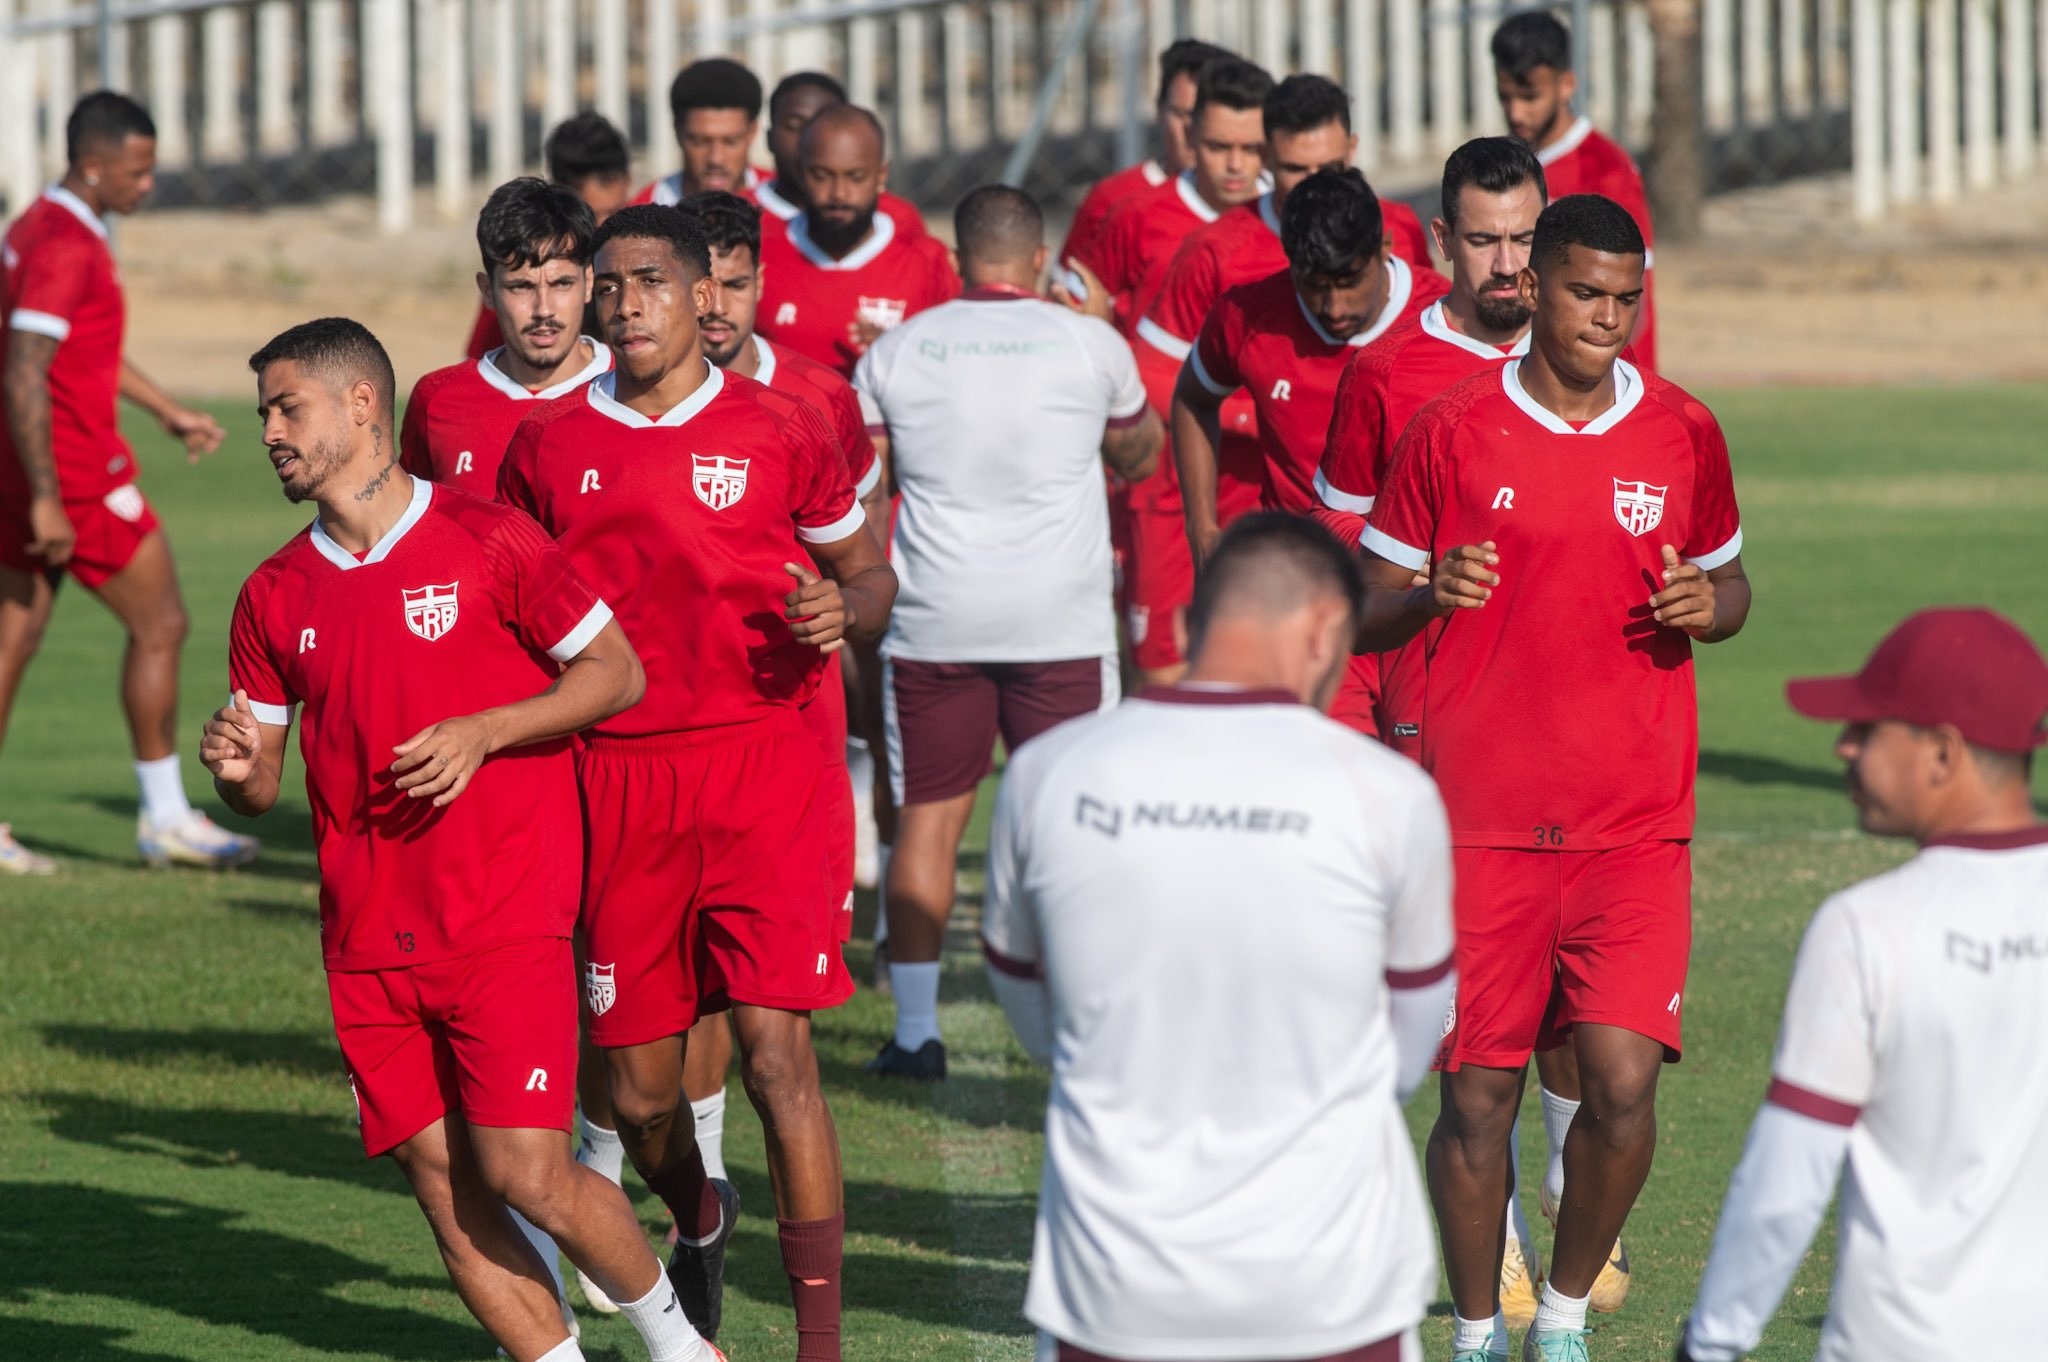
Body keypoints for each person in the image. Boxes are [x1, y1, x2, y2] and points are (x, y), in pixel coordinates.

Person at [210, 316, 715, 1362]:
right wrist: (236, 771)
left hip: (503, 913)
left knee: (526, 1172)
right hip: (366, 939)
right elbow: (257, 783)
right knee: (447, 1192)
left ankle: (681, 1350)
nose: (268, 431)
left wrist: (486, 732)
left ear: (361, 406)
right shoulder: (272, 594)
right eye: (264, 412)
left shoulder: (489, 538)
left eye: (284, 407)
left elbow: (613, 672)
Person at [1355, 194, 1750, 1362]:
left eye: (1627, 300)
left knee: (1623, 1087)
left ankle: (1565, 1317)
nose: (1607, 319)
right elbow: (1363, 604)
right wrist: (1429, 590)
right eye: (1586, 294)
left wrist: (1706, 609)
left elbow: (1732, 587)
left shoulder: (1682, 431)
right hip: (1476, 824)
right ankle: (1479, 1330)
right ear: (1534, 290)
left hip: (1632, 824)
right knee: (1475, 1099)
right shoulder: (1450, 431)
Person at [498, 204, 897, 1360]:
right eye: (605, 284)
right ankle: (698, 1208)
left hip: (765, 772)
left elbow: (867, 575)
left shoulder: (784, 427)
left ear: (697, 298)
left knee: (777, 1051)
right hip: (620, 786)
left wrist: (845, 608)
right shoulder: (549, 450)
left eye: (647, 283)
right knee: (634, 1099)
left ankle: (818, 1341)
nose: (623, 304)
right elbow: (515, 615)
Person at [982, 512, 1456, 1361]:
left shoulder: (1047, 773)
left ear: (1197, 622)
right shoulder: (1389, 796)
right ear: (1323, 630)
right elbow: (1406, 1054)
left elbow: (1028, 1004)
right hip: (1332, 1293)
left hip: (1112, 1296)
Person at [1311, 136, 1598, 1329]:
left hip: (1580, 742)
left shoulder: (1591, 356)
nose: (1506, 262)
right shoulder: (1388, 380)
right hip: (1436, 744)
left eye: (1524, 237)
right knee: (1468, 1039)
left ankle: (1576, 1196)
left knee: (1580, 1024)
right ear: (1436, 243)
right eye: (1480, 238)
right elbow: (1341, 573)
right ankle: (1508, 1262)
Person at [1677, 608, 2048, 1362]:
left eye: (1869, 729)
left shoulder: (1867, 928)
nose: (1843, 747)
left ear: (1942, 753)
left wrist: (1710, 1345)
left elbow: (1787, 1180)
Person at [852, 185, 1162, 1079]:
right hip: (1058, 620)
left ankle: (916, 1033)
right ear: (1039, 260)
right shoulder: (1092, 342)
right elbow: (1137, 454)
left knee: (928, 825)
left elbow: (869, 485)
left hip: (934, 616)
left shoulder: (899, 352)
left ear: (956, 262)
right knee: (1080, 827)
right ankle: (1086, 1021)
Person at [0, 90, 256, 874]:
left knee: (16, 636)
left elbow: (78, 355)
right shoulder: (66, 248)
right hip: (73, 475)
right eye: (137, 172)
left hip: (23, 466)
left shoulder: (33, 228)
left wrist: (167, 409)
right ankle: (167, 818)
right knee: (164, 623)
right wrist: (49, 492)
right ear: (93, 164)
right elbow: (23, 371)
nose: (148, 185)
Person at [1171, 168, 1446, 735]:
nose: (1334, 303)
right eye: (1314, 283)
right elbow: (1192, 398)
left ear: (1385, 248)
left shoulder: (1445, 320)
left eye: (1349, 279)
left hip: (1418, 610)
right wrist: (1202, 529)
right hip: (1307, 611)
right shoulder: (1247, 316)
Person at [1069, 56, 1272, 685]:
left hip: (1267, 477)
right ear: (1189, 135)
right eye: (1217, 146)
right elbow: (1086, 314)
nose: (1235, 164)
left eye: (1251, 148)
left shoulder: (1296, 224)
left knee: (1266, 664)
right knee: (1162, 667)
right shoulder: (1133, 214)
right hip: (1163, 476)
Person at [409, 179, 614, 498]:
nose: (544, 309)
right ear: (487, 290)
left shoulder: (634, 393)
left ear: (589, 283)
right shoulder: (437, 400)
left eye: (561, 284)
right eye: (521, 287)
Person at [1493, 11, 1656, 371]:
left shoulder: (1605, 170)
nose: (1516, 112)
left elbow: (1633, 294)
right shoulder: (1509, 164)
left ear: (1566, 84)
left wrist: (1633, 384)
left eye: (1529, 96)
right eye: (1506, 97)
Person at [755, 104, 959, 377]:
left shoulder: (928, 262)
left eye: (856, 177)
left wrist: (902, 350)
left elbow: (960, 364)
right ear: (802, 174)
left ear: (881, 175)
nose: (839, 193)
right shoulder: (759, 252)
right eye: (822, 176)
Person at [466, 112, 634, 360]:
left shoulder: (646, 249)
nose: (602, 228)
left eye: (613, 213)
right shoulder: (521, 274)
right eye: (591, 215)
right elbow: (479, 368)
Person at [1055, 39, 1233, 271]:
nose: (1193, 128)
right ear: (1159, 110)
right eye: (1183, 114)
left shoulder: (1263, 197)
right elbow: (1066, 297)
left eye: (1204, 116)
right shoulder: (1111, 200)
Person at [753, 71, 927, 241]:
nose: (810, 138)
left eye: (826, 124)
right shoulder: (741, 213)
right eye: (794, 125)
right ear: (769, 137)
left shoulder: (899, 219)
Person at [633, 58, 767, 205]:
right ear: (678, 131)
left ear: (752, 132)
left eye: (731, 142)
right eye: (700, 142)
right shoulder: (638, 220)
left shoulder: (787, 208)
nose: (716, 159)